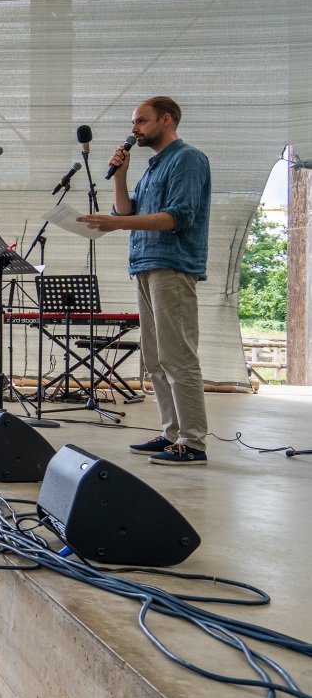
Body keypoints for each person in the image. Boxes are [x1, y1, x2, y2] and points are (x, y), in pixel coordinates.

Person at [79, 95, 213, 466]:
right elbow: (125, 209)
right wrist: (120, 176)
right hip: (145, 264)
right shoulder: (152, 167)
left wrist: (118, 223)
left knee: (178, 356)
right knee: (155, 359)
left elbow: (178, 217)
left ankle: (193, 442)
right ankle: (172, 434)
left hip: (172, 265)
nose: (133, 129)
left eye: (141, 121)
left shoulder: (187, 159)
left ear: (165, 120)